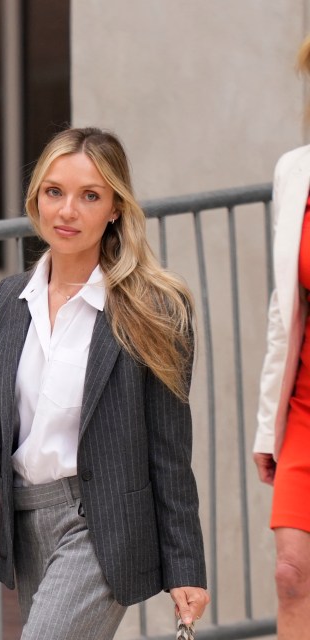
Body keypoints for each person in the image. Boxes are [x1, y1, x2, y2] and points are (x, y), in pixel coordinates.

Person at [0, 127, 210, 638]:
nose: (67, 211)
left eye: (90, 196)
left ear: (116, 208)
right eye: (54, 192)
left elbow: (169, 451)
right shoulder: (13, 302)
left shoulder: (155, 309)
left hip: (102, 527)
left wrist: (186, 565)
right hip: (28, 521)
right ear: (35, 197)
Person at [254, 34, 310, 638]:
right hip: (305, 407)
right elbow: (283, 309)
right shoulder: (295, 171)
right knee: (292, 573)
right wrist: (268, 422)